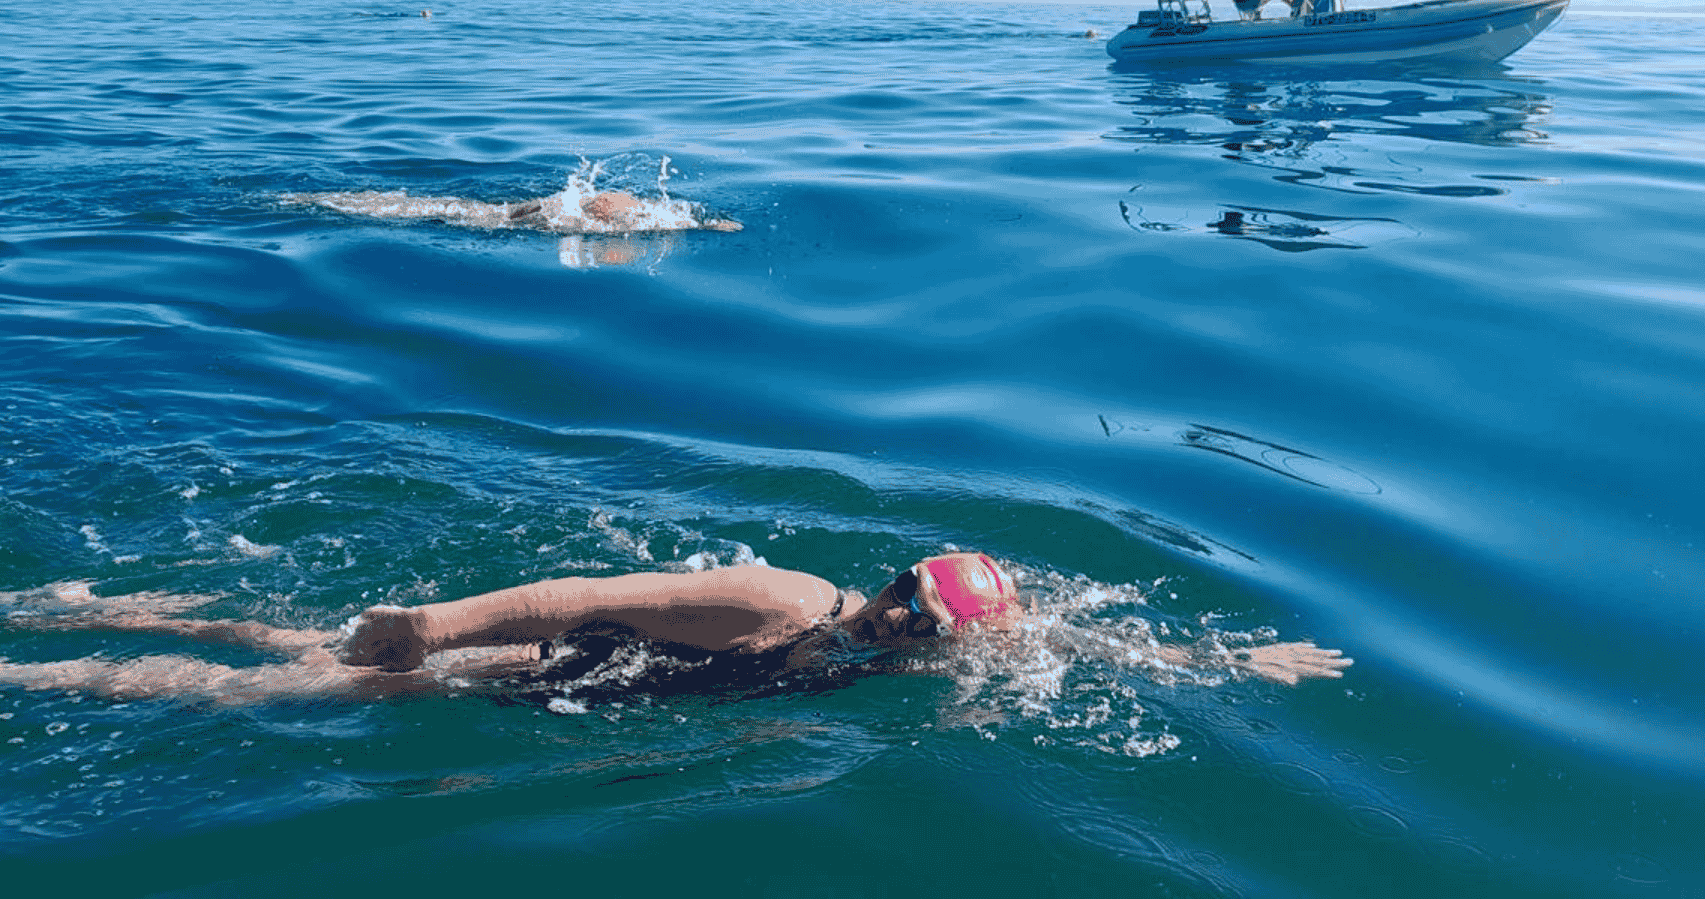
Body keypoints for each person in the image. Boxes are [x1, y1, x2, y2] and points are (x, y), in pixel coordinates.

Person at [0, 553, 1350, 705]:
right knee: (299, 675)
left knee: (285, 642)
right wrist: (430, 626)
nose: (904, 627)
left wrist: (1217, 660)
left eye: (927, 628)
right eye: (903, 602)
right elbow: (582, 595)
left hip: (619, 689)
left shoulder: (915, 648)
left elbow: (1059, 648)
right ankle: (42, 646)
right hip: (536, 655)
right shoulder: (776, 601)